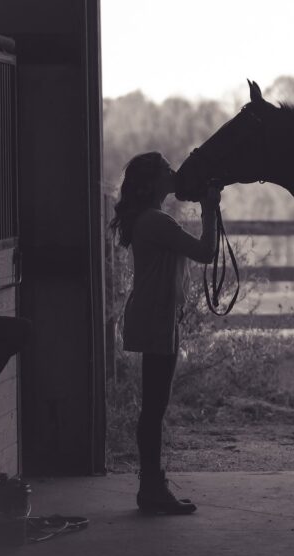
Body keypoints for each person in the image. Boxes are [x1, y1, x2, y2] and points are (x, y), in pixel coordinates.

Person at [108, 151, 220, 515]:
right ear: (155, 181)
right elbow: (206, 252)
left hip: (156, 315)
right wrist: (210, 208)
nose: (174, 174)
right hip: (156, 318)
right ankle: (152, 489)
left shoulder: (149, 219)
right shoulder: (157, 221)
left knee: (154, 406)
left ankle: (152, 487)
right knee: (155, 408)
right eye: (167, 170)